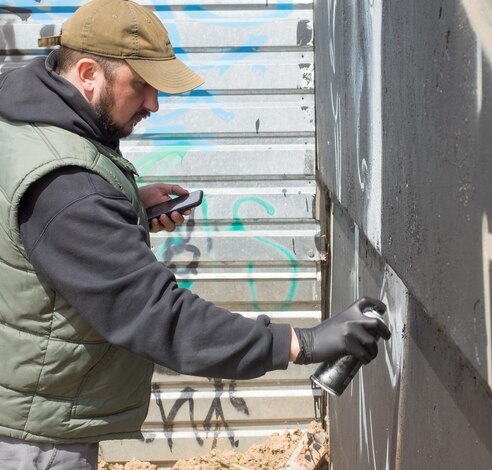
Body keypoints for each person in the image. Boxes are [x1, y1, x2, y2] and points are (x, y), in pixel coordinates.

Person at [0, 1, 390, 468]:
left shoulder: (21, 115)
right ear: (87, 73)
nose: (153, 103)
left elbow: (34, 229)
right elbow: (160, 318)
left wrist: (124, 206)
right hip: (32, 438)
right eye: (141, 85)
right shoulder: (68, 189)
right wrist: (301, 342)